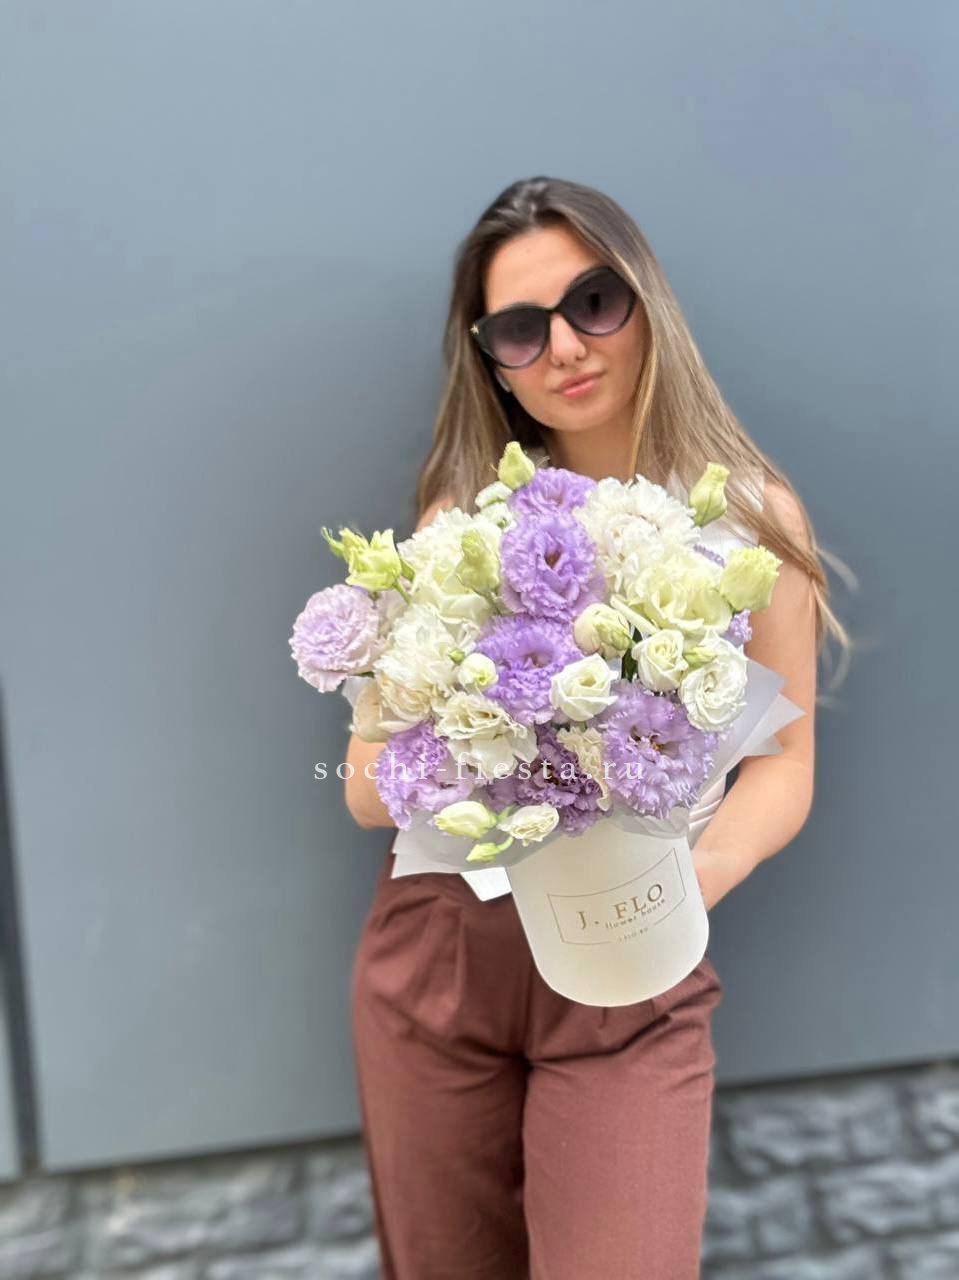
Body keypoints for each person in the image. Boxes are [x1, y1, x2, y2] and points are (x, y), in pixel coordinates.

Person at [344, 176, 854, 1279]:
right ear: (490, 360)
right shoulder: (461, 523)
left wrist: (681, 887)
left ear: (645, 301)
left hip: (634, 963)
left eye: (593, 301)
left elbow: (785, 763)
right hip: (443, 958)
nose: (566, 347)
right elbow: (364, 789)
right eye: (519, 328)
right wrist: (479, 726)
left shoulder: (750, 524)